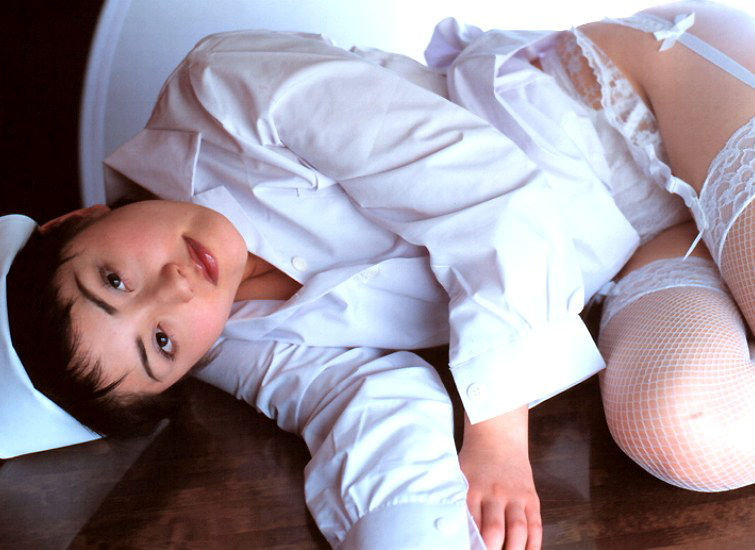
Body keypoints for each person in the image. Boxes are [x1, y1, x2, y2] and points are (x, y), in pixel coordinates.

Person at [0, 1, 752, 548]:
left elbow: (483, 191)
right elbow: (361, 402)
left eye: (115, 281)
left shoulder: (221, 89)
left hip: (647, 104)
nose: (175, 290)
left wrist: (495, 437)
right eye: (160, 345)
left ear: (72, 221)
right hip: (639, 243)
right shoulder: (227, 343)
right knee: (689, 431)